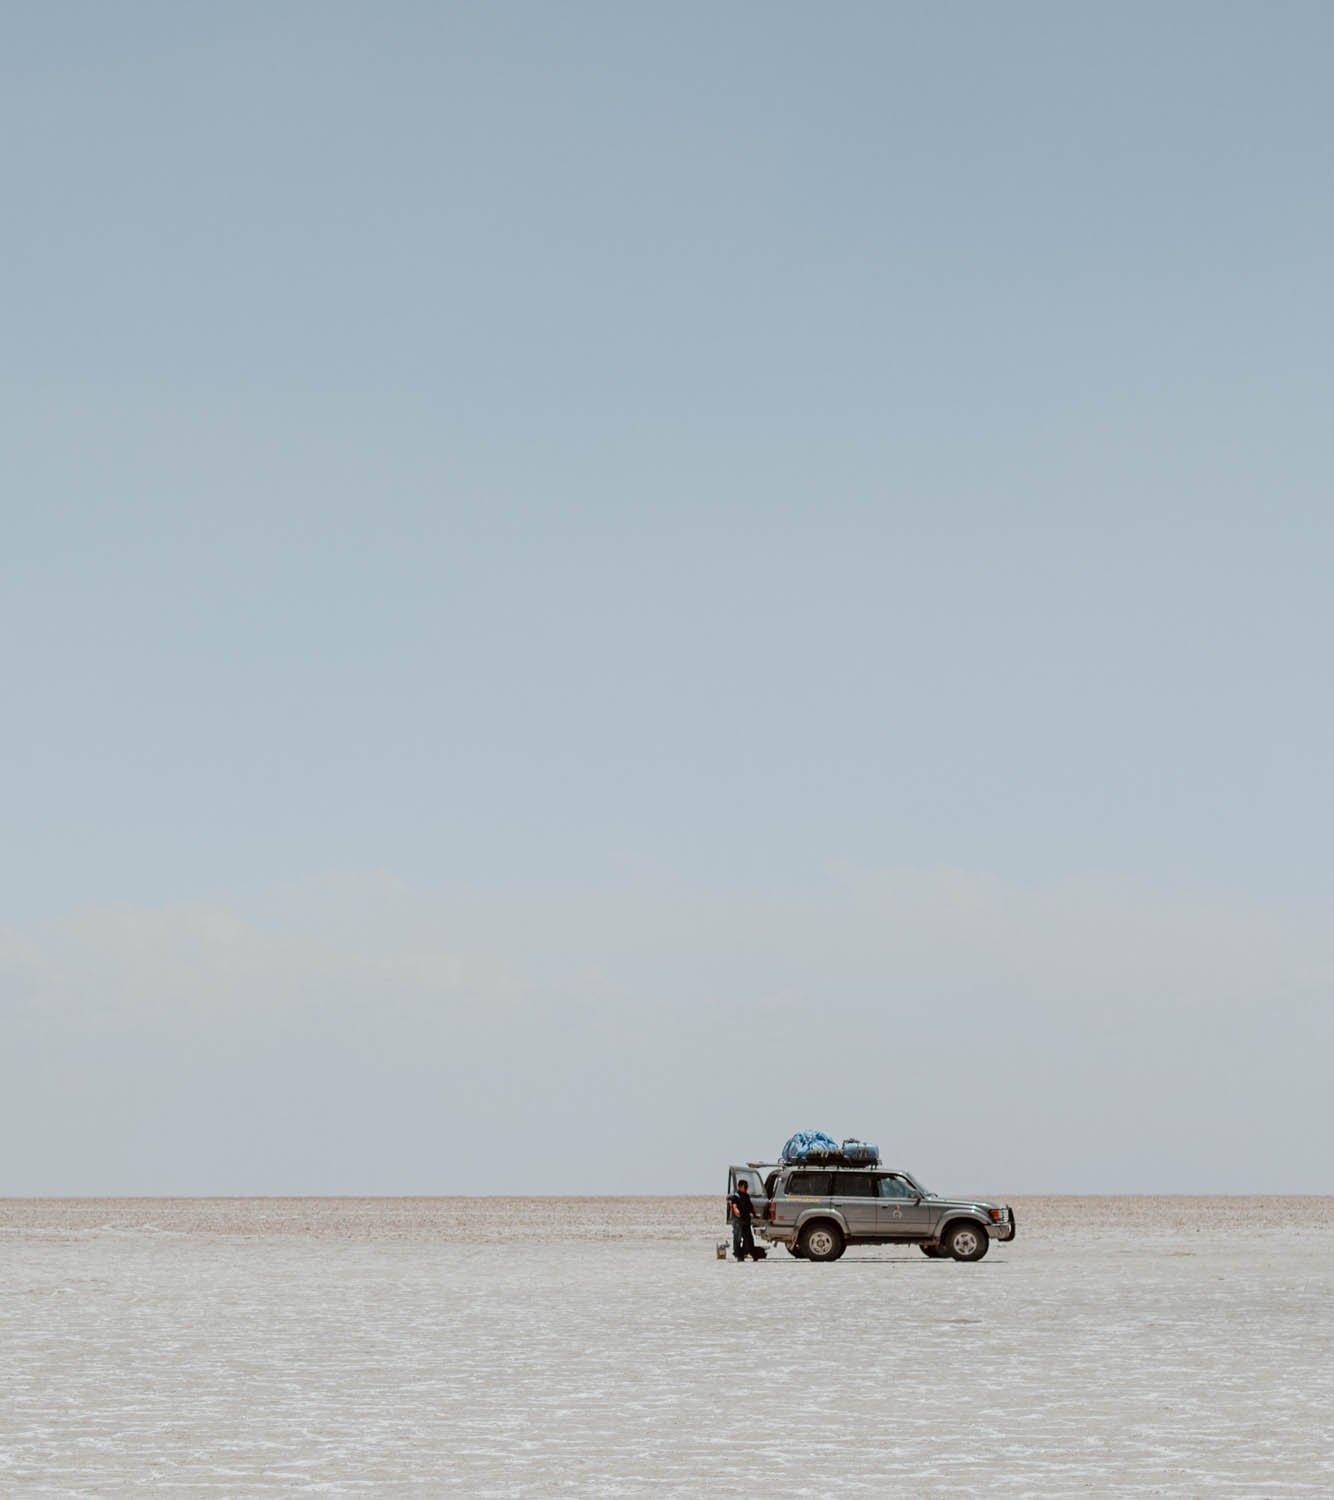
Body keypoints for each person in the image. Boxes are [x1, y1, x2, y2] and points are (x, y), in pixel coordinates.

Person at [728, 1180, 759, 1261]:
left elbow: (750, 1206)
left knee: (749, 1239)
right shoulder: (736, 1196)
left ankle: (753, 1254)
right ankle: (738, 1255)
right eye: (745, 1187)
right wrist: (736, 1211)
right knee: (738, 1238)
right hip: (738, 1221)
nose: (746, 1188)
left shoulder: (746, 1196)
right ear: (740, 1187)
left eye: (746, 1187)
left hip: (746, 1220)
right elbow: (734, 1206)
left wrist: (754, 1213)